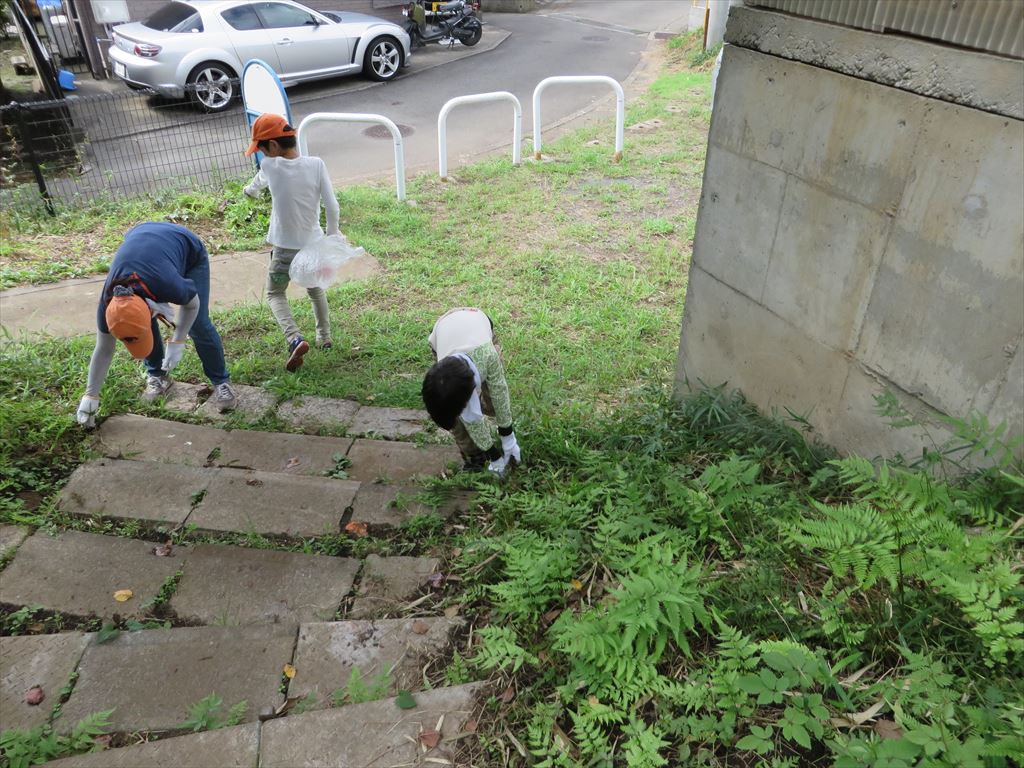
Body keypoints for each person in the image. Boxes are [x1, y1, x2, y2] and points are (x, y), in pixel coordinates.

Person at [75, 222, 237, 427]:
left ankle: (221, 381)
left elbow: (192, 305)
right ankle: (158, 377)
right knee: (139, 323)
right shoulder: (108, 307)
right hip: (143, 242)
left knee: (198, 324)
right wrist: (90, 397)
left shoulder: (168, 285)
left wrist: (178, 341)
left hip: (186, 248)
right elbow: (104, 349)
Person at [243, 113, 340, 371]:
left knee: (275, 293)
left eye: (261, 149)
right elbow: (332, 205)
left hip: (284, 249)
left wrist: (249, 192)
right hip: (313, 245)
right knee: (315, 287)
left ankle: (294, 337)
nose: (261, 154)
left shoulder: (270, 167)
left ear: (272, 147)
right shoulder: (316, 164)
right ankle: (324, 336)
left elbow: (256, 185)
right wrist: (332, 234)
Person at [421, 308, 521, 475]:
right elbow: (469, 415)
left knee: (494, 406)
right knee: (458, 418)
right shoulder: (442, 378)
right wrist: (494, 456)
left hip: (477, 324)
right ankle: (475, 455)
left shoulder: (488, 355)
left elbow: (499, 391)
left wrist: (508, 438)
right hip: (443, 332)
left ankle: (480, 402)